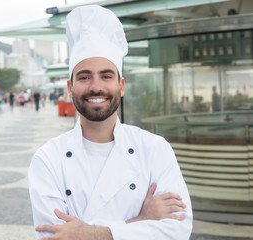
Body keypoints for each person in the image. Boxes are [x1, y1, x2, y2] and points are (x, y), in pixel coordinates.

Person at [29, 5, 192, 240]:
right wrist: (141, 221)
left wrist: (85, 233)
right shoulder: (47, 159)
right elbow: (54, 238)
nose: (96, 86)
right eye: (84, 77)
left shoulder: (155, 148)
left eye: (106, 76)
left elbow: (177, 231)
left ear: (121, 86)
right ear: (70, 87)